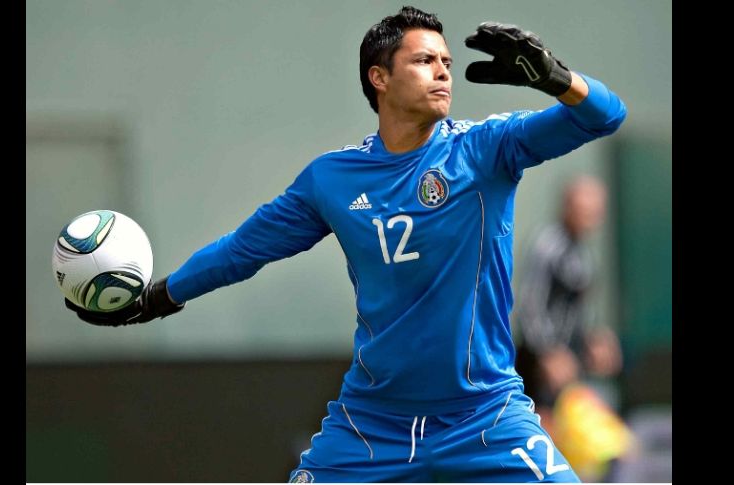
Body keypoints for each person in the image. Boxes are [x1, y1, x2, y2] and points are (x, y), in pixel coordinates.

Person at [65, 6, 626, 482]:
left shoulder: (486, 150)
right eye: (424, 60)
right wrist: (158, 297)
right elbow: (244, 250)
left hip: (485, 415)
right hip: (371, 422)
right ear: (379, 78)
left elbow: (605, 116)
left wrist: (556, 78)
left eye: (447, 63)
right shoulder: (331, 180)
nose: (443, 73)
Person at [513, 176, 623, 420]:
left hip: (570, 357)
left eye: (596, 211)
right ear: (568, 207)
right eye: (584, 209)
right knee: (543, 423)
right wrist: (548, 352)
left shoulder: (582, 250)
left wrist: (594, 338)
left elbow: (579, 307)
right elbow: (530, 303)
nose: (590, 217)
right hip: (540, 360)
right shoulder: (549, 244)